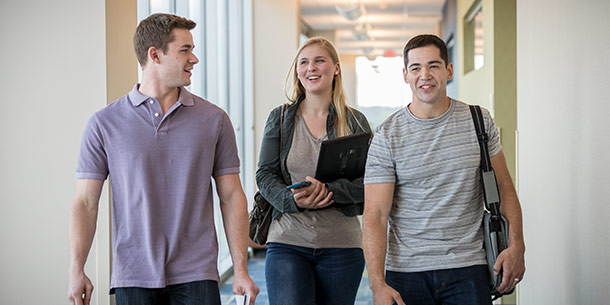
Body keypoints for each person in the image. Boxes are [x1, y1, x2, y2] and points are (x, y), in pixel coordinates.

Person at [67, 13, 258, 305]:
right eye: (185, 50)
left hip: (198, 272)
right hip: (133, 273)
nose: (194, 59)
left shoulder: (214, 120)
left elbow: (232, 196)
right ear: (154, 55)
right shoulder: (104, 123)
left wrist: (241, 269)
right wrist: (76, 268)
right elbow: (85, 202)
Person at [362, 34, 526, 305]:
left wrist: (517, 246)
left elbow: (505, 188)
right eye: (415, 68)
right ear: (405, 75)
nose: (424, 75)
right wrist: (377, 284)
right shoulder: (387, 135)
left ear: (448, 70)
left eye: (433, 65)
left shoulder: (478, 121)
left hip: (469, 267)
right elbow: (375, 215)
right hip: (406, 272)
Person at [256, 36, 371, 305]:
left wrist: (330, 191)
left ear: (336, 68)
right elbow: (264, 174)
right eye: (304, 62)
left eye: (320, 61)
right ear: (297, 71)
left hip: (342, 245)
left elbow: (371, 182)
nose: (311, 68)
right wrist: (290, 199)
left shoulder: (355, 121)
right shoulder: (281, 118)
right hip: (287, 241)